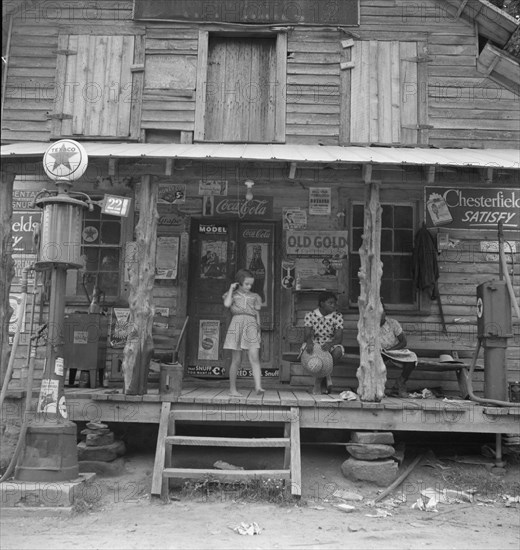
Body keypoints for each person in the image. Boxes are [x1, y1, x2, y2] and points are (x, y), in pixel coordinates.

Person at [223, 269, 265, 397]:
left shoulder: (255, 296)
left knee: (254, 357)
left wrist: (258, 331)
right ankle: (232, 389)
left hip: (251, 325)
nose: (249, 286)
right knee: (236, 359)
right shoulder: (232, 295)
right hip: (236, 324)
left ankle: (258, 386)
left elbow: (257, 313)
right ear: (239, 283)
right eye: (246, 284)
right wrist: (231, 289)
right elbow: (227, 304)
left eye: (251, 284)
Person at [302, 292, 344, 394]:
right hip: (315, 343)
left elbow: (339, 338)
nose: (333, 305)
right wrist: (309, 342)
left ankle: (318, 382)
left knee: (338, 351)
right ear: (322, 304)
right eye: (330, 303)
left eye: (334, 303)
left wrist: (330, 344)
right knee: (309, 350)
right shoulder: (310, 315)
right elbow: (307, 335)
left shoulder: (337, 316)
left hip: (331, 343)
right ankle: (327, 377)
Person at [379, 304, 417, 397]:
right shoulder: (370, 326)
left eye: (381, 311)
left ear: (385, 313)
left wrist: (390, 350)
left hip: (395, 351)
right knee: (377, 363)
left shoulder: (393, 323)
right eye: (377, 312)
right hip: (380, 352)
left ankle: (400, 383)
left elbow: (403, 342)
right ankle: (379, 389)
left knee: (412, 358)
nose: (379, 314)